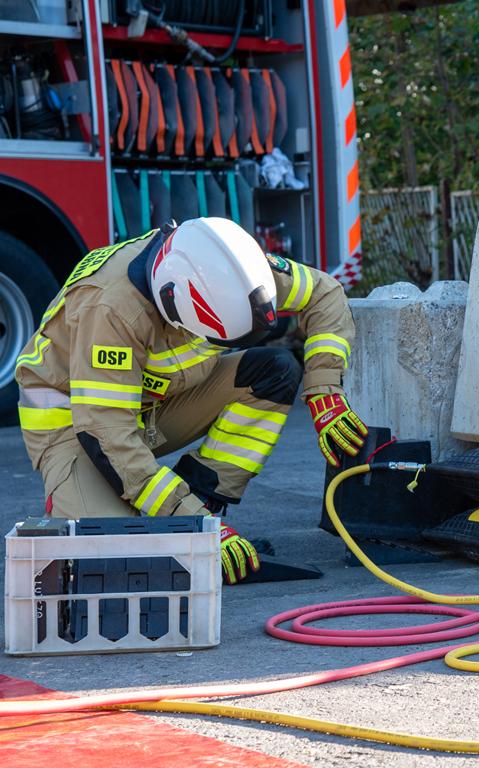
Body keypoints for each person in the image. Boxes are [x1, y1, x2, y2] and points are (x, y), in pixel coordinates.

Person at [15, 217, 367, 583]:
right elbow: (107, 436)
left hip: (149, 404)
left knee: (272, 372)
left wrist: (325, 392)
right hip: (75, 426)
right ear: (176, 304)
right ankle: (184, 521)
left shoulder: (225, 265)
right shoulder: (111, 309)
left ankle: (202, 506)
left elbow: (325, 293)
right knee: (108, 561)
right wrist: (188, 519)